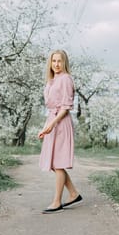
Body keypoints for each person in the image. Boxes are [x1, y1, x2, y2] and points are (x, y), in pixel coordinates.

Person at [38, 49, 83, 214]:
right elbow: (51, 107)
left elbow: (65, 107)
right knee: (53, 163)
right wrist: (45, 127)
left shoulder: (65, 79)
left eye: (59, 61)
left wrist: (52, 124)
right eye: (54, 61)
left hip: (61, 123)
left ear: (64, 62)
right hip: (52, 120)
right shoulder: (51, 81)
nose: (56, 64)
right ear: (50, 63)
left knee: (58, 164)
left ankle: (57, 202)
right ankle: (73, 193)